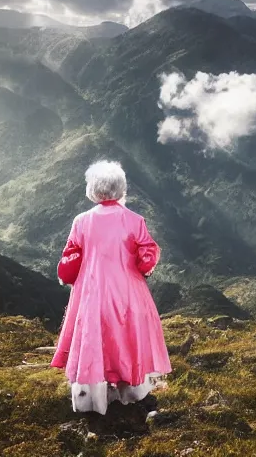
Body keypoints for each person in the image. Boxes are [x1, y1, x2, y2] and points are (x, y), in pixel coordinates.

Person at [51, 160, 172, 414]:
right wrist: (142, 265)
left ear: (93, 189)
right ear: (121, 188)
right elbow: (147, 252)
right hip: (128, 291)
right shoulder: (134, 220)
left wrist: (67, 275)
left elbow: (70, 257)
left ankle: (91, 401)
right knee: (127, 340)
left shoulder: (81, 221)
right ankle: (133, 393)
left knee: (93, 341)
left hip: (91, 291)